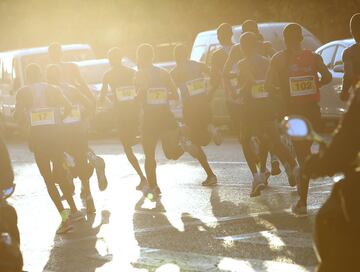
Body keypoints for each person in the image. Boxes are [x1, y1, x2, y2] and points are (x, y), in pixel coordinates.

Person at [265, 23, 332, 215]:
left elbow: (269, 86)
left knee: (302, 156)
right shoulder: (314, 57)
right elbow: (327, 76)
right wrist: (314, 83)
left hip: (294, 113)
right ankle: (303, 194)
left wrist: (283, 92)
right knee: (305, 152)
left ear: (285, 40)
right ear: (301, 38)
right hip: (313, 112)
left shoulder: (278, 59)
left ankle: (302, 201)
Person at [14, 64, 82, 234]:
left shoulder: (23, 92)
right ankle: (74, 210)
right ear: (41, 74)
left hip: (38, 139)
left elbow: (17, 116)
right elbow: (67, 106)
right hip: (55, 137)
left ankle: (65, 219)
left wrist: (26, 125)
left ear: (28, 77)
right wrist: (58, 121)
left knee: (48, 179)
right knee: (59, 173)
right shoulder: (53, 89)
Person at [236, 32, 300, 197]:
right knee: (274, 140)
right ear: (256, 45)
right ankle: (294, 166)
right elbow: (274, 83)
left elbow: (247, 84)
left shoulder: (242, 64)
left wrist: (239, 91)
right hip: (266, 105)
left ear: (242, 48)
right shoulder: (266, 62)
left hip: (250, 107)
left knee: (244, 139)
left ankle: (257, 177)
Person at [223, 19, 281, 176]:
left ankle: (263, 169)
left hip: (249, 97)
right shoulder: (265, 46)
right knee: (269, 130)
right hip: (266, 95)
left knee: (250, 135)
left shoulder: (238, 49)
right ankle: (273, 160)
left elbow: (225, 71)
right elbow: (279, 59)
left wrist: (234, 88)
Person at [48, 43, 108, 191]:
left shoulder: (50, 71)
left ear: (50, 54)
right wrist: (92, 104)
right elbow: (82, 85)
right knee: (81, 145)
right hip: (79, 110)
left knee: (69, 149)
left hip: (63, 114)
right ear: (61, 53)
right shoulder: (71, 67)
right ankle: (94, 164)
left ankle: (76, 185)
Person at [134, 43, 185, 197]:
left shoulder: (140, 74)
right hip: (165, 116)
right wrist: (162, 95)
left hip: (150, 119)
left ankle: (154, 187)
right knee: (172, 154)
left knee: (149, 155)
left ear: (139, 57)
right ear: (153, 56)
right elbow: (176, 95)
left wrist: (137, 99)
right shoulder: (164, 73)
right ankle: (184, 145)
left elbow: (139, 98)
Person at [46, 64, 96, 213]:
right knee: (81, 163)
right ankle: (88, 197)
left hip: (60, 135)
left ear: (48, 78)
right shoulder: (71, 89)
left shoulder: (48, 92)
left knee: (62, 165)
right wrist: (82, 118)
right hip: (78, 132)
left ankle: (70, 191)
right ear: (60, 76)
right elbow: (89, 104)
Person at [170, 44, 220, 186]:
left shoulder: (175, 72)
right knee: (204, 130)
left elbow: (170, 90)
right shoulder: (199, 65)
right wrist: (211, 91)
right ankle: (211, 128)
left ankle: (210, 175)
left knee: (194, 141)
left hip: (190, 107)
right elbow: (215, 74)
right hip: (204, 103)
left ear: (175, 57)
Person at [99, 47, 147, 190]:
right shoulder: (132, 72)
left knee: (127, 147)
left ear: (110, 60)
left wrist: (108, 105)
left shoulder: (108, 75)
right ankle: (142, 139)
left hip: (120, 113)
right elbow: (141, 89)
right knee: (138, 142)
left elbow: (102, 96)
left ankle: (142, 177)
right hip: (134, 110)